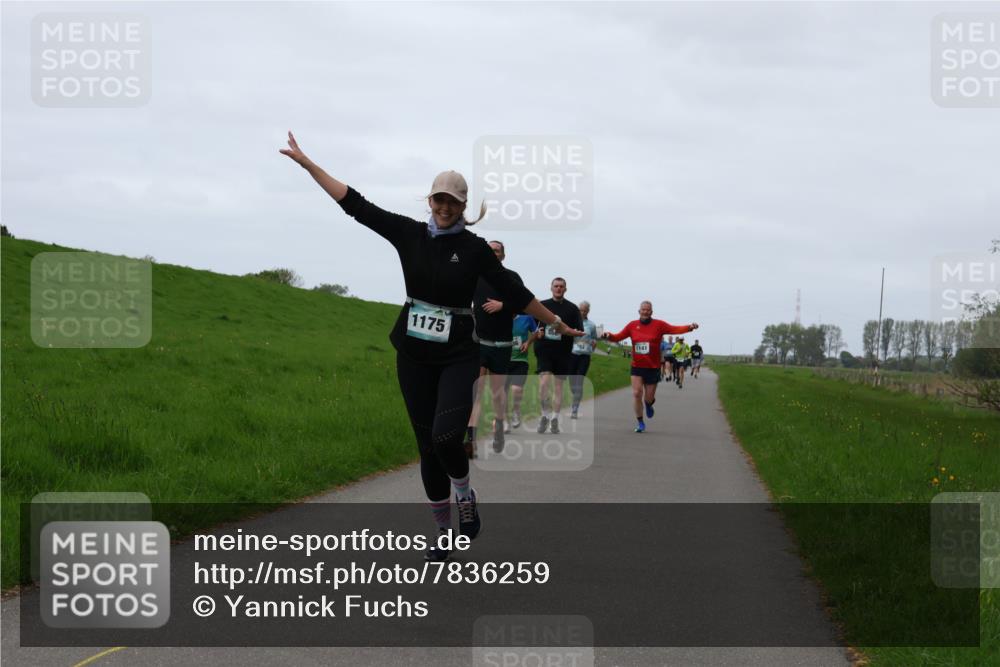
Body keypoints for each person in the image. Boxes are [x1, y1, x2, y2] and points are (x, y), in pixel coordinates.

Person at [280, 132, 581, 561]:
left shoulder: (475, 250)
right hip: (413, 355)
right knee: (426, 448)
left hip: (458, 355)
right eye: (439, 200)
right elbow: (356, 205)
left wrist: (556, 322)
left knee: (446, 438)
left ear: (464, 206)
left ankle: (465, 494)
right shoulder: (409, 235)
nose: (445, 208)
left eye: (453, 202)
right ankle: (442, 532)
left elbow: (515, 291)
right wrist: (309, 165)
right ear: (430, 200)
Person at [602, 301, 698, 433]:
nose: (645, 312)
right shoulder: (632, 325)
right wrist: (608, 335)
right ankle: (640, 422)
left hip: (653, 367)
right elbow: (618, 337)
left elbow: (674, 329)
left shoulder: (659, 325)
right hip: (637, 366)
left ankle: (648, 404)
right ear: (639, 311)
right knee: (636, 393)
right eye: (643, 309)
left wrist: (689, 327)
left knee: (648, 398)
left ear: (651, 312)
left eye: (648, 310)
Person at [465, 240, 521, 456]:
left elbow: (525, 304)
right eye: (489, 250)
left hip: (502, 344)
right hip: (479, 342)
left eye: (496, 250)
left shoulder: (512, 277)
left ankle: (498, 428)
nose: (492, 253)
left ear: (503, 256)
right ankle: (471, 440)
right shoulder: (474, 276)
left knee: (497, 393)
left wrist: (503, 305)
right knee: (477, 392)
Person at [534, 277, 584, 435]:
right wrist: (537, 332)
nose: (558, 288)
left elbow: (578, 330)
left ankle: (554, 419)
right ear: (551, 288)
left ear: (565, 289)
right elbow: (533, 325)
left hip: (563, 352)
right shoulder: (542, 305)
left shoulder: (572, 309)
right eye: (556, 286)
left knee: (558, 387)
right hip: (544, 350)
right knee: (544, 384)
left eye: (561, 286)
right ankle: (544, 415)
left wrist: (572, 332)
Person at [505, 313, 538, 432]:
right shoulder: (500, 318)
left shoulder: (527, 318)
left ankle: (516, 411)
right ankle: (505, 421)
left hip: (520, 360)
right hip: (503, 360)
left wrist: (528, 342)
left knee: (516, 389)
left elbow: (536, 332)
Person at [569, 301, 598, 419]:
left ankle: (575, 408)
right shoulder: (572, 322)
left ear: (588, 311)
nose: (582, 312)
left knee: (579, 381)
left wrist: (593, 345)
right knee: (572, 383)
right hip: (572, 355)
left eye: (585, 310)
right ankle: (575, 396)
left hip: (585, 356)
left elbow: (594, 338)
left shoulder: (591, 325)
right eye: (580, 310)